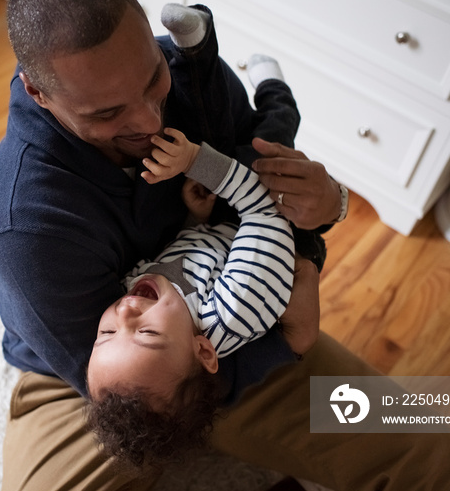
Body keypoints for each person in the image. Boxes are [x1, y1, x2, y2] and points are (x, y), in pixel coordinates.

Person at [0, 0, 450, 489]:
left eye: (152, 80)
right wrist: (286, 344)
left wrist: (326, 210)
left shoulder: (190, 74)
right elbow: (103, 368)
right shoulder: (20, 225)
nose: (150, 120)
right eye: (107, 113)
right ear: (38, 93)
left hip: (232, 323)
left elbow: (266, 201)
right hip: (101, 383)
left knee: (419, 447)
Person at [86, 128, 299, 468]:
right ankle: (269, 79)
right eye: (146, 333)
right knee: (273, 127)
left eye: (106, 334)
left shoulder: (145, 297)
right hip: (267, 218)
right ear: (202, 349)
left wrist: (195, 220)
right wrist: (196, 161)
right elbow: (265, 211)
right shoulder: (235, 309)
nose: (125, 312)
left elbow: (189, 261)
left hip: (218, 223)